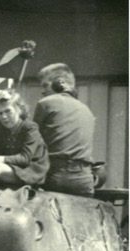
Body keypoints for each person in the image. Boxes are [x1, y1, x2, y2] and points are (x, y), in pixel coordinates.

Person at [33, 63, 95, 197]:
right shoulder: (87, 110)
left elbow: (33, 142)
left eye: (45, 85)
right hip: (85, 180)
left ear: (60, 83)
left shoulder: (46, 103)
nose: (43, 91)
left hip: (56, 177)